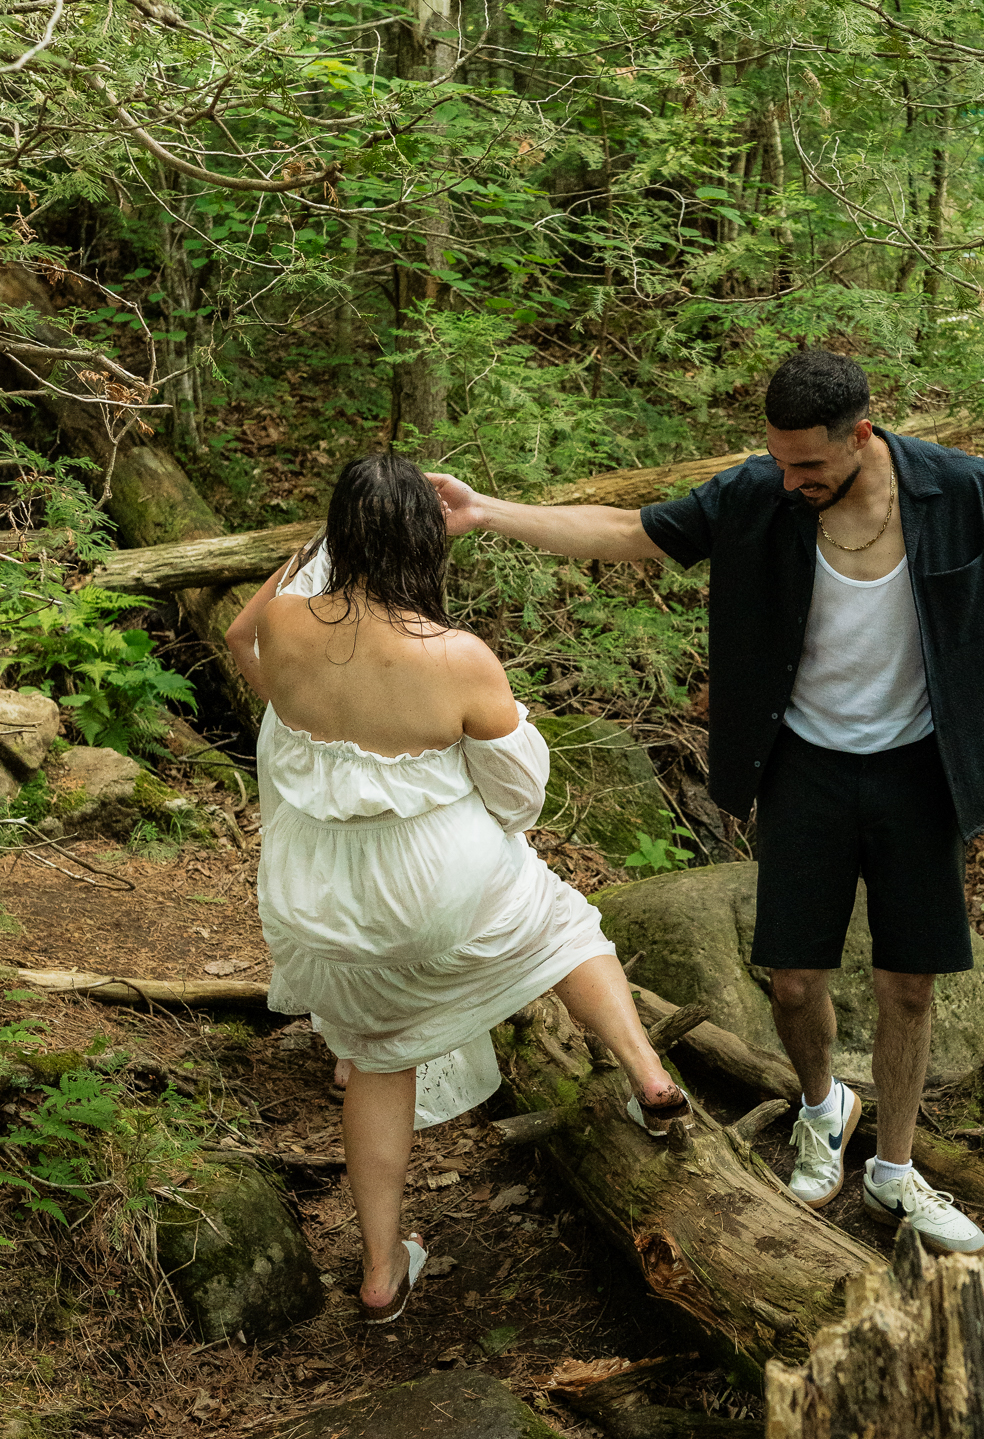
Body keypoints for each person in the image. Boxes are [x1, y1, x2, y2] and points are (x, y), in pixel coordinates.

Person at [430, 349, 984, 1255]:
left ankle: (893, 1170)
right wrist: (486, 511)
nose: (789, 479)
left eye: (807, 463)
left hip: (920, 769)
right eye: (778, 459)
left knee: (908, 985)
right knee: (795, 979)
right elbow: (628, 530)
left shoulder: (955, 489)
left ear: (860, 434)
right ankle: (821, 1108)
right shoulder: (757, 494)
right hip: (802, 764)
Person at [225, 454, 690, 1324]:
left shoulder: (285, 622)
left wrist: (292, 711)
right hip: (431, 887)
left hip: (315, 892)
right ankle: (649, 1078)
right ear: (424, 542)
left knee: (377, 1054)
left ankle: (379, 1273)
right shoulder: (457, 657)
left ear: (336, 537)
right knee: (561, 924)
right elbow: (519, 795)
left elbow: (239, 638)